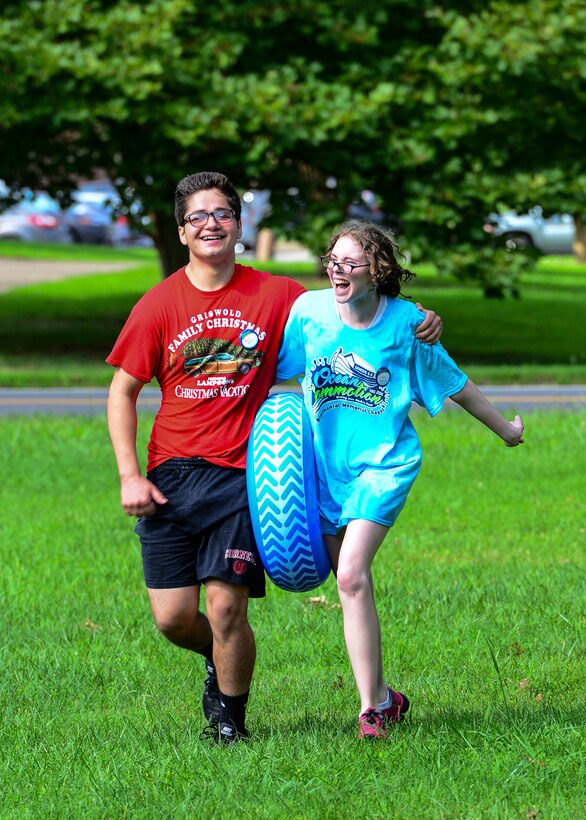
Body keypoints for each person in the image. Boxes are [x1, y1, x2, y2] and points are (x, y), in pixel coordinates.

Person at [106, 173, 443, 745]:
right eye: (198, 216)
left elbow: (357, 295)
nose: (211, 223)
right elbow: (122, 391)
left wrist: (420, 316)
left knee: (227, 606)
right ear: (182, 231)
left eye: (222, 214)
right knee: (173, 618)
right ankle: (215, 654)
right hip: (170, 475)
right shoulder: (158, 305)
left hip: (246, 476)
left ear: (238, 226)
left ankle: (230, 726)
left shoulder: (279, 295)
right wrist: (129, 474)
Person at [276, 219, 524, 740]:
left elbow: (454, 383)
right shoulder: (309, 312)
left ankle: (370, 710)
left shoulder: (408, 325)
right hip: (323, 468)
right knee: (331, 575)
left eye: (351, 263)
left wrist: (505, 429)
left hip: (385, 464)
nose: (338, 271)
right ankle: (388, 698)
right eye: (333, 261)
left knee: (350, 575)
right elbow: (278, 379)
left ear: (378, 270)